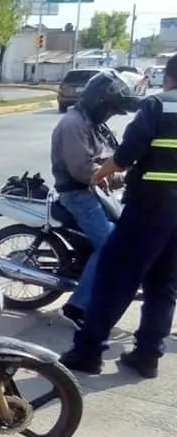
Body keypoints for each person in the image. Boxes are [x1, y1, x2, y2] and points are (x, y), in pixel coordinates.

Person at [60, 53, 177, 379]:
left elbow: (125, 155)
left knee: (115, 277)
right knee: (163, 286)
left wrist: (101, 175)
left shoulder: (157, 105)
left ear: (167, 77)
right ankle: (147, 355)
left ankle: (88, 351)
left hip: (149, 210)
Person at [50, 69, 139, 329]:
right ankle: (75, 306)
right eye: (111, 108)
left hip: (93, 191)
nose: (111, 114)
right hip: (78, 194)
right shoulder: (73, 124)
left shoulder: (92, 122)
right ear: (99, 101)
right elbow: (83, 170)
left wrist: (130, 171)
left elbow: (112, 157)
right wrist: (116, 177)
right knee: (111, 244)